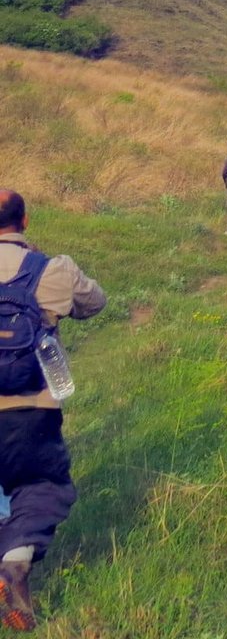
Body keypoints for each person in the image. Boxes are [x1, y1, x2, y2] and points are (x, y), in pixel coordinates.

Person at [0, 190, 105, 631]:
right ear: (24, 219)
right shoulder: (51, 269)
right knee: (42, 482)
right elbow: (94, 302)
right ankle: (15, 557)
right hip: (31, 405)